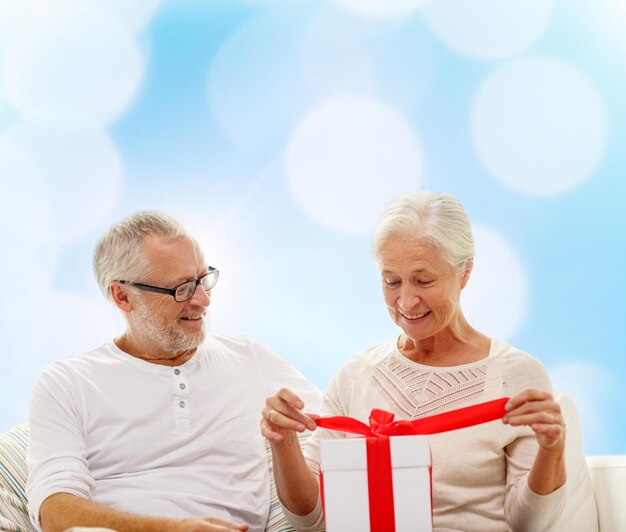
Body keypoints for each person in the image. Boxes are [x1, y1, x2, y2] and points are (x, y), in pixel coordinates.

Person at [262, 191, 568, 531]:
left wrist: (551, 450)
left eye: (424, 281)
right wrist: (283, 443)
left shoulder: (516, 376)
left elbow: (529, 524)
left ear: (465, 271)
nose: (406, 302)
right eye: (391, 281)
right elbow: (311, 521)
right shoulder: (355, 376)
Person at [26, 211, 321, 532]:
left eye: (202, 279)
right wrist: (171, 529)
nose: (203, 300)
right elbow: (53, 511)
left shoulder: (247, 356)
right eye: (181, 289)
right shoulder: (67, 383)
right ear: (122, 296)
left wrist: (286, 438)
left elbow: (345, 431)